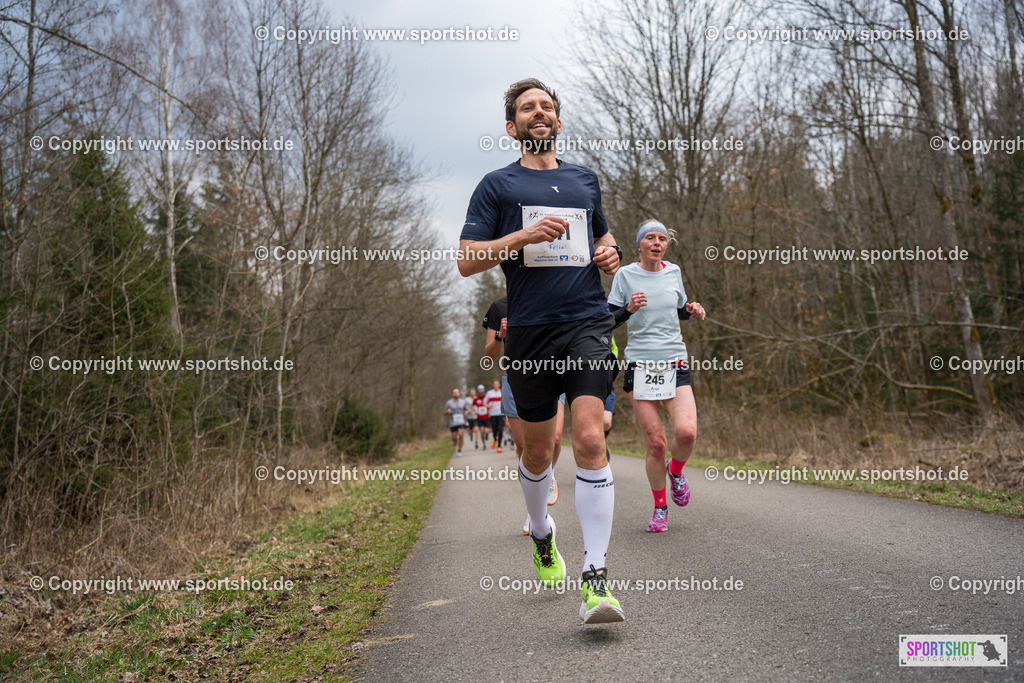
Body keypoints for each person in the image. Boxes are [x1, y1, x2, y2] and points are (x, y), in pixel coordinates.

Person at [458, 78, 625, 624]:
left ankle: (596, 576)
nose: (539, 113)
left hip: (586, 323)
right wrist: (521, 240)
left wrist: (609, 256)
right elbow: (466, 259)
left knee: (590, 436)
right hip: (528, 332)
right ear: (513, 126)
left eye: (547, 106)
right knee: (538, 453)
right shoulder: (496, 186)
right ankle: (541, 532)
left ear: (557, 121)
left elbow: (603, 239)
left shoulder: (584, 180)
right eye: (528, 107)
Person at [607, 219, 706, 533]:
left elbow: (676, 309)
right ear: (639, 245)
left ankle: (675, 472)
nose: (656, 242)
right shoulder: (625, 275)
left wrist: (690, 310)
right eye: (650, 237)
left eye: (661, 238)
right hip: (641, 366)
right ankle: (660, 506)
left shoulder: (673, 271)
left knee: (687, 433)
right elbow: (607, 320)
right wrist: (628, 310)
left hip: (674, 362)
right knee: (655, 444)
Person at [482, 296, 564, 531]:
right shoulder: (499, 307)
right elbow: (489, 354)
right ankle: (535, 513)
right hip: (516, 378)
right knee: (524, 449)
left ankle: (548, 475)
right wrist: (501, 335)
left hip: (552, 373)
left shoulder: (552, 296)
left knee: (555, 441)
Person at [444, 388, 472, 457]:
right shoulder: (449, 402)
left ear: (459, 393)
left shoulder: (463, 402)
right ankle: (454, 441)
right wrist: (447, 411)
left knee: (461, 435)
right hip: (453, 422)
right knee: (454, 437)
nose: (455, 394)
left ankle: (459, 451)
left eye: (457, 392)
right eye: (454, 393)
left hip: (461, 421)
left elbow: (468, 410)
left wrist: (467, 412)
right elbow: (444, 412)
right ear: (452, 394)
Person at [472, 384, 491, 448]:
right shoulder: (476, 399)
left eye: (482, 389)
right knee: (482, 432)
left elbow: (490, 404)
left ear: (483, 390)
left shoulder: (486, 397)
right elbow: (472, 407)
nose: (481, 391)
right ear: (478, 391)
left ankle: (487, 434)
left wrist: (489, 409)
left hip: (487, 417)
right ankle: (484, 444)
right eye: (480, 390)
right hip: (480, 418)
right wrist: (475, 411)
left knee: (486, 431)